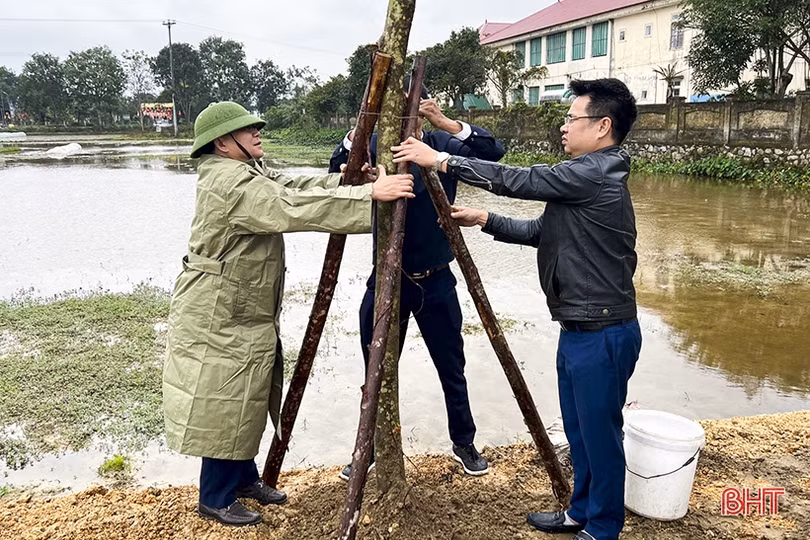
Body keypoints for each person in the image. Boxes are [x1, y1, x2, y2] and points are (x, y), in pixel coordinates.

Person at [391, 79, 642, 540]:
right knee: (581, 432)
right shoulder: (585, 178)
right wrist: (484, 219)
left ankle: (603, 528)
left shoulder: (595, 172)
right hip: (580, 327)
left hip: (605, 330)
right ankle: (580, 512)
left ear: (603, 126)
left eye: (572, 118)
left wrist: (443, 160)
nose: (564, 127)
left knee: (601, 438)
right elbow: (542, 232)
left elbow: (521, 179)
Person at [162, 101, 414, 527]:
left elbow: (291, 183)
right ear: (223, 143)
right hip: (218, 312)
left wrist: (346, 180)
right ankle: (215, 496)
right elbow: (291, 206)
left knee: (249, 393)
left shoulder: (245, 172)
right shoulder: (230, 184)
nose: (258, 132)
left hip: (238, 306)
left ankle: (243, 478)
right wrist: (368, 197)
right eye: (248, 129)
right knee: (225, 397)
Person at [329, 80, 505, 480]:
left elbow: (493, 156)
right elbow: (335, 170)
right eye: (394, 108)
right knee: (375, 367)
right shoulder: (376, 145)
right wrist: (360, 130)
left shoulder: (443, 145)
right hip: (388, 279)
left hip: (437, 280)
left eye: (412, 107)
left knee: (452, 365)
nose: (403, 116)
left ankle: (464, 442)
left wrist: (444, 121)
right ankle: (370, 449)